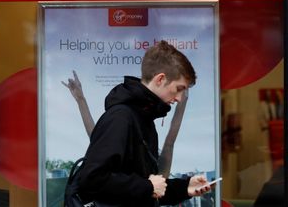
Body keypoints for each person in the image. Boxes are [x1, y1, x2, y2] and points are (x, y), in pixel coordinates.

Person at [75, 40, 211, 206]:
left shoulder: (143, 118)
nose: (179, 98)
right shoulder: (121, 117)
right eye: (179, 89)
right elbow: (91, 180)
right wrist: (147, 187)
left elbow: (148, 188)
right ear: (160, 79)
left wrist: (185, 188)